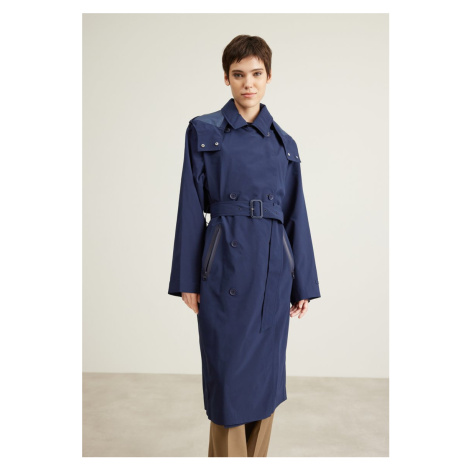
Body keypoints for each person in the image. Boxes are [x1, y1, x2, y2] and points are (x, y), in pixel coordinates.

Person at [168, 34, 321, 457]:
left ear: (269, 77)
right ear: (226, 78)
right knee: (229, 382)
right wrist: (188, 279)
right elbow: (189, 206)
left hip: (273, 272)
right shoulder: (204, 131)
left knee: (264, 383)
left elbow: (296, 214)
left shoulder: (284, 144)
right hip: (225, 268)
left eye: (256, 74)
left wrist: (303, 284)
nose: (248, 83)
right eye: (238, 75)